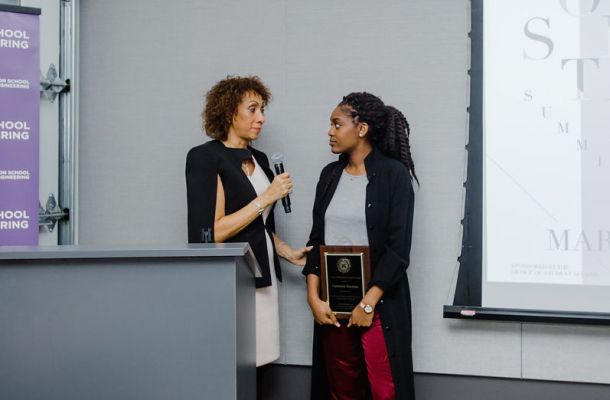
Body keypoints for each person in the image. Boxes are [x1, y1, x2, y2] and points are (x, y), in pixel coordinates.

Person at [185, 75, 310, 399]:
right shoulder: (204, 157)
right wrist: (267, 196)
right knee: (232, 364)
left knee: (261, 363)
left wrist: (287, 252)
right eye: (253, 109)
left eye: (262, 109)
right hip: (230, 281)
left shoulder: (262, 160)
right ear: (229, 113)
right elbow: (209, 234)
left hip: (263, 276)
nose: (261, 118)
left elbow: (261, 228)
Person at [302, 92, 419, 400]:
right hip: (333, 305)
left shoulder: (395, 176)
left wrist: (368, 304)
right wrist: (313, 298)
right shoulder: (329, 176)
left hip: (378, 304)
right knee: (342, 388)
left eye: (336, 124)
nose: (330, 131)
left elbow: (398, 250)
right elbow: (316, 241)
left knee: (385, 389)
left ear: (362, 128)